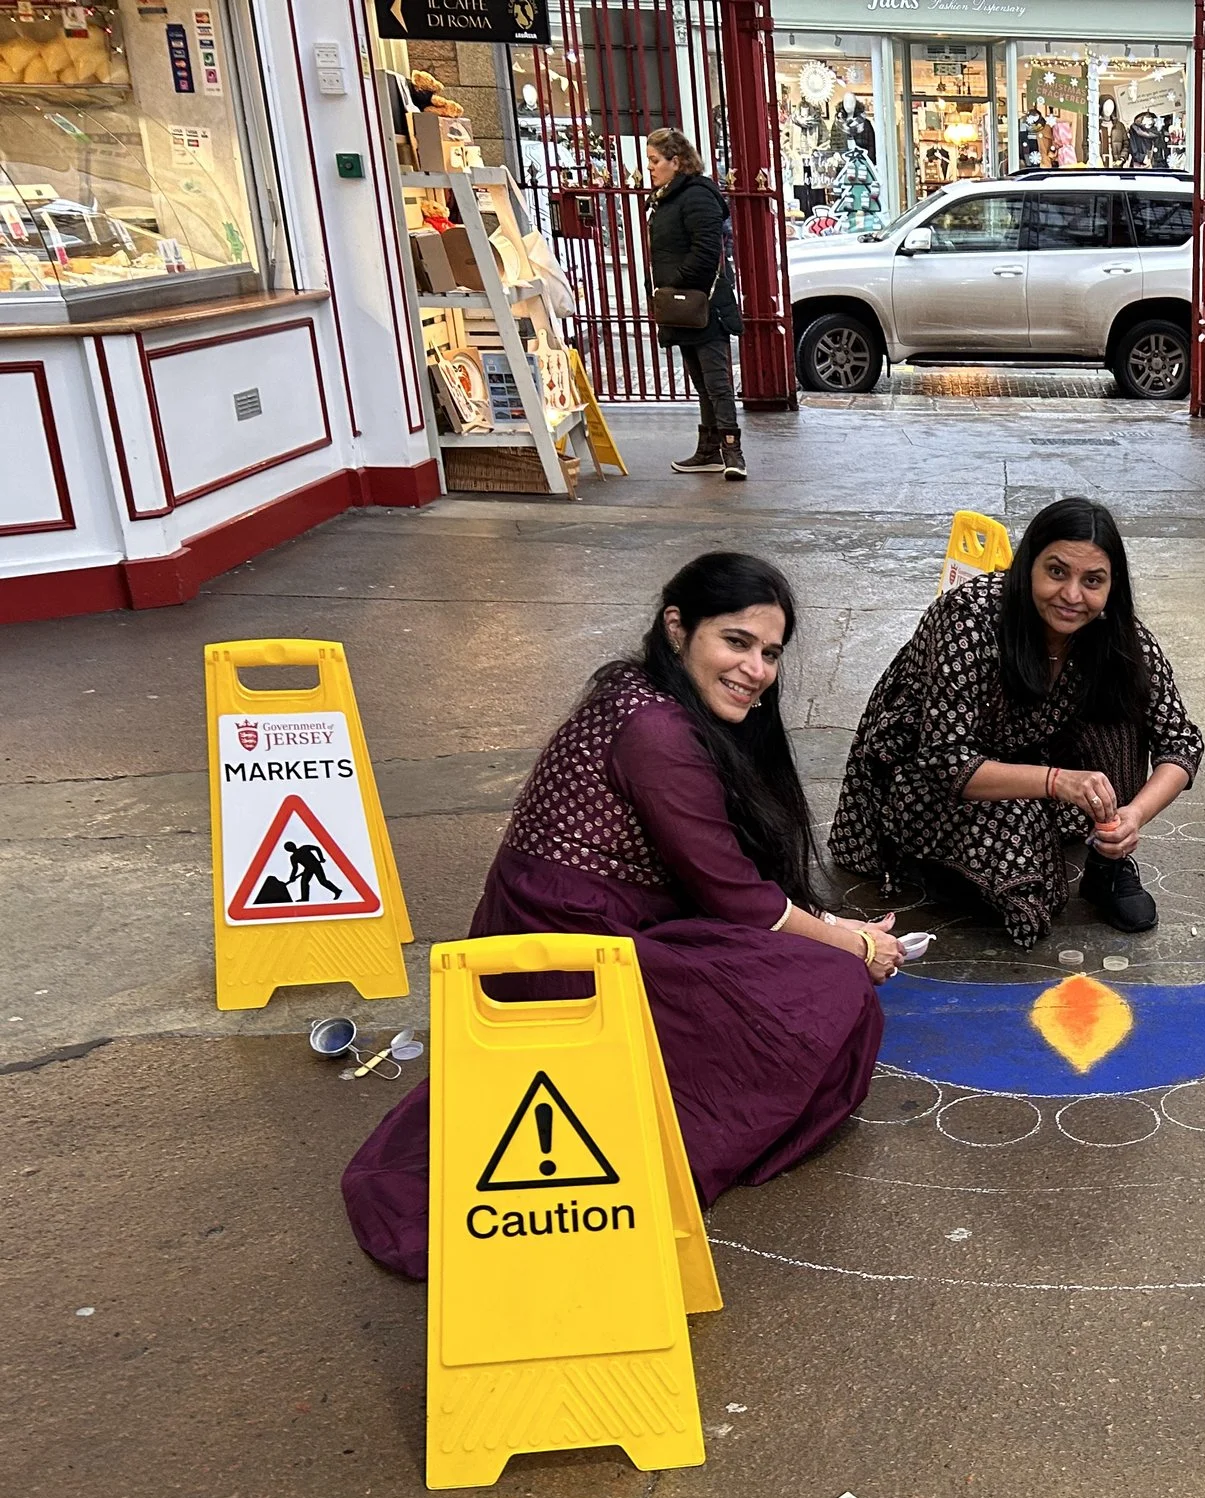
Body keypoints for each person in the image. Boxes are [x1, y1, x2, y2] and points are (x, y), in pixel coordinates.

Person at [341, 553, 896, 1279]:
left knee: (808, 968)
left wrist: (821, 921)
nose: (756, 669)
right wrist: (853, 944)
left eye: (769, 653)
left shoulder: (640, 692)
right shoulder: (657, 731)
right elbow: (737, 897)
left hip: (575, 926)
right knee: (828, 990)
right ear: (677, 627)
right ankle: (643, 1165)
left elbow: (729, 872)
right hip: (567, 952)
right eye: (736, 642)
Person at [828, 499, 1205, 947]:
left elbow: (1180, 742)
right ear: (1027, 567)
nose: (1072, 596)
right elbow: (945, 758)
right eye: (1057, 571)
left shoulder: (1116, 634)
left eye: (1093, 581)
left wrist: (1131, 818)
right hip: (929, 778)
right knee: (1024, 882)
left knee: (1121, 702)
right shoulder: (969, 617)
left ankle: (1106, 864)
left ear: (1112, 587)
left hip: (1034, 766)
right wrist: (1058, 782)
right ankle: (930, 861)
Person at [645, 128, 747, 481]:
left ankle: (732, 451)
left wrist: (672, 284)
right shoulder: (667, 197)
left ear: (677, 161)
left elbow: (706, 252)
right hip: (682, 304)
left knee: (717, 381)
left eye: (656, 161)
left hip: (702, 303)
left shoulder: (698, 196)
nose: (651, 168)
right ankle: (709, 450)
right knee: (702, 382)